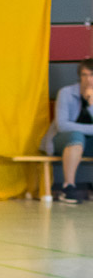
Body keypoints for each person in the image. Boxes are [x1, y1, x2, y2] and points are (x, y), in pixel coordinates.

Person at [39, 56, 93, 204]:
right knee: (77, 136)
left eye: (92, 75)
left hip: (88, 144)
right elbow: (62, 125)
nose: (88, 79)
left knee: (79, 135)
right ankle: (68, 187)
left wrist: (91, 105)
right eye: (84, 75)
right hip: (62, 141)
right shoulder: (66, 93)